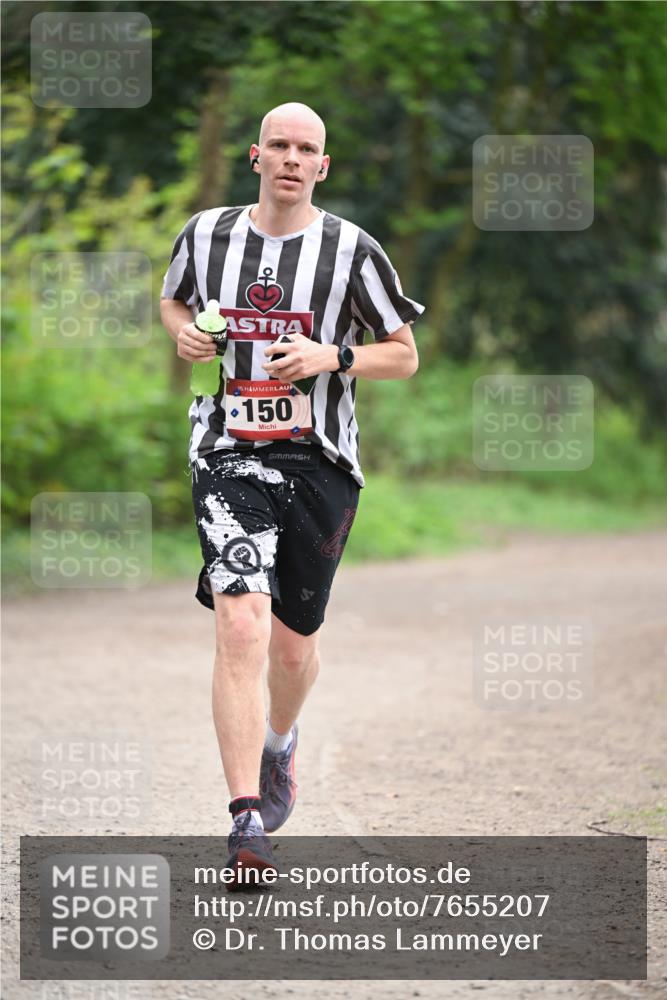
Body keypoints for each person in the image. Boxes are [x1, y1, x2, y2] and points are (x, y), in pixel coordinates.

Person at [160, 102, 424, 882]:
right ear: (254, 155)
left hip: (319, 465)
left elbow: (403, 356)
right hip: (228, 455)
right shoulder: (206, 233)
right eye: (277, 144)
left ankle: (281, 743)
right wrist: (183, 332)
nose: (289, 157)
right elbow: (174, 298)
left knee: (294, 643)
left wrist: (327, 356)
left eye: (305, 147)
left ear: (321, 166)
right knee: (241, 623)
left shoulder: (352, 250)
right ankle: (246, 821)